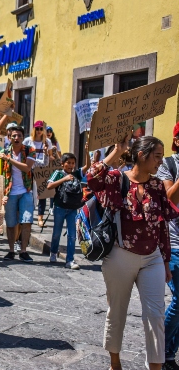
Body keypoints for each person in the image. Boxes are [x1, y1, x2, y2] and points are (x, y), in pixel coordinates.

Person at [87, 135, 176, 370]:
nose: (160, 161)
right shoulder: (117, 179)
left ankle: (155, 367)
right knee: (117, 312)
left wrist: (165, 260)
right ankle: (115, 364)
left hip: (153, 258)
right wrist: (117, 151)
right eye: (157, 156)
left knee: (155, 315)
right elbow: (92, 178)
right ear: (141, 155)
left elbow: (163, 225)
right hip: (120, 255)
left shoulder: (157, 185)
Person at [152, 122, 179, 370]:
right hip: (175, 243)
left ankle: (168, 352)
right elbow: (170, 200)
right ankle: (164, 351)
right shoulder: (167, 166)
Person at [46, 152, 91, 270]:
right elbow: (49, 186)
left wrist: (86, 152)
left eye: (73, 163)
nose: (71, 165)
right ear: (62, 164)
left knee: (72, 235)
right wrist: (64, 179)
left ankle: (70, 260)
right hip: (59, 207)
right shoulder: (58, 173)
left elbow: (88, 165)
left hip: (72, 209)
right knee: (56, 233)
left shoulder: (77, 174)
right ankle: (53, 252)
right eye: (68, 163)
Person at [0, 126, 36, 262]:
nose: (17, 138)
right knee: (10, 223)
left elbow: (27, 168)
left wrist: (9, 160)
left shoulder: (29, 151)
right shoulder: (3, 152)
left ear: (23, 137)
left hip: (26, 191)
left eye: (19, 136)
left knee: (26, 221)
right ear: (9, 138)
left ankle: (23, 251)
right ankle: (11, 250)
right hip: (10, 192)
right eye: (14, 136)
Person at [23, 120, 54, 227]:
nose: (39, 131)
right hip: (30, 169)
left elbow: (50, 157)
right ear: (34, 129)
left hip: (42, 170)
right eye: (37, 129)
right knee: (29, 193)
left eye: (41, 129)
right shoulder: (27, 141)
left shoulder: (47, 142)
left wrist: (47, 153)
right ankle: (29, 214)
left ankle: (40, 217)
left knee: (42, 194)